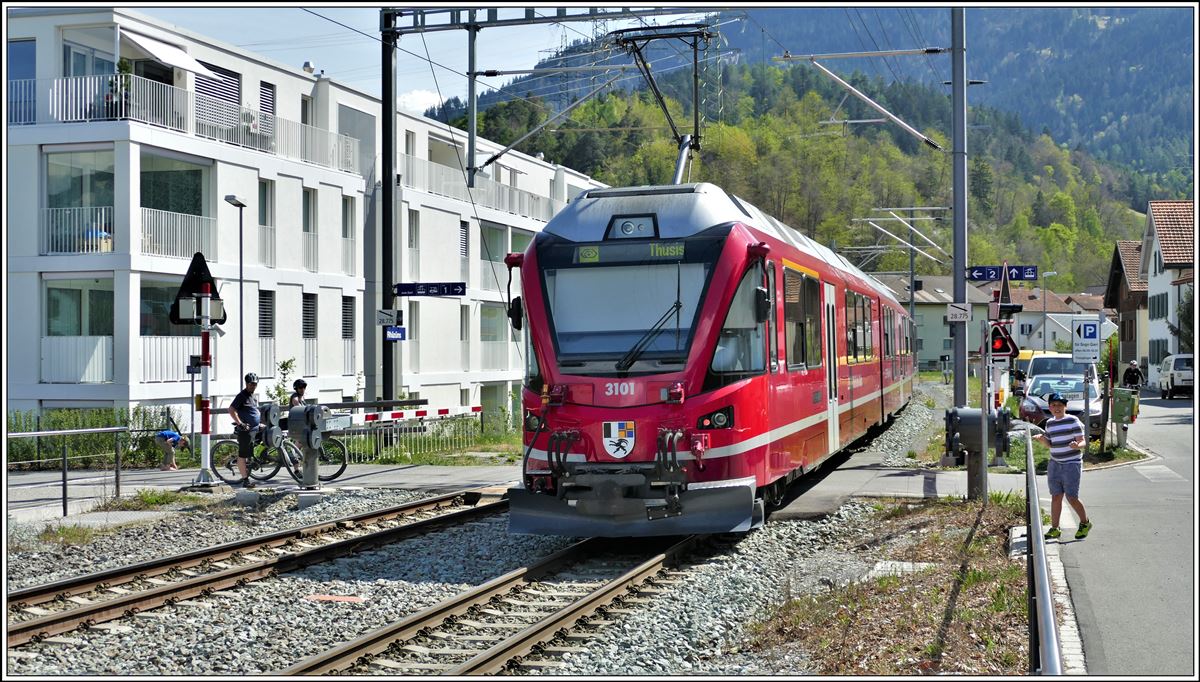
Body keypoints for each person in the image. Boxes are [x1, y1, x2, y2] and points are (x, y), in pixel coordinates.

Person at [1034, 392, 1092, 540]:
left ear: (1065, 406)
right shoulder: (1050, 423)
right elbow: (1049, 444)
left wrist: (1077, 445)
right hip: (1054, 464)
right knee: (1056, 497)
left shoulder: (1073, 421)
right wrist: (1041, 439)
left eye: (1060, 405)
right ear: (1049, 407)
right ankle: (1054, 528)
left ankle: (1085, 523)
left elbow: (1083, 442)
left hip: (1071, 464)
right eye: (1053, 405)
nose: (1056, 408)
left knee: (1072, 496)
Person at [228, 372, 263, 488]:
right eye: (251, 384)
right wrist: (240, 423)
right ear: (246, 384)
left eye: (255, 384)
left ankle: (253, 461)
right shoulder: (241, 396)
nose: (253, 386)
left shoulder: (252, 396)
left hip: (255, 428)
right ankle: (245, 480)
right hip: (245, 430)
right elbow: (231, 409)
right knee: (242, 455)